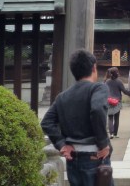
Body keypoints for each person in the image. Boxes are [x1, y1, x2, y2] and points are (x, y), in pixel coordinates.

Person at [41, 49, 113, 186]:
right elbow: (97, 109)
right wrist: (103, 143)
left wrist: (61, 144)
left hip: (73, 159)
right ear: (94, 68)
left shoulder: (62, 96)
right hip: (94, 156)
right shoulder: (98, 88)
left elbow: (46, 122)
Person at [105, 66, 130, 139]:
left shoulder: (107, 81)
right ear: (117, 73)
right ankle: (115, 134)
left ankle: (111, 134)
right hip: (117, 102)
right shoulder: (119, 82)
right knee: (116, 118)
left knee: (110, 117)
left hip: (109, 101)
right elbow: (124, 91)